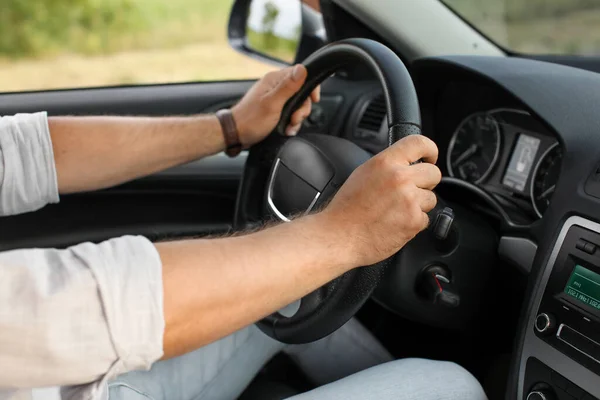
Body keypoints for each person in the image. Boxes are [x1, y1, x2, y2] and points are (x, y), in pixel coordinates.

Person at [0, 64, 487, 400]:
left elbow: (20, 155)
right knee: (453, 387)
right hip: (68, 362)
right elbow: (75, 311)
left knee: (295, 296)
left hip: (70, 382)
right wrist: (344, 233)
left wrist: (231, 128)